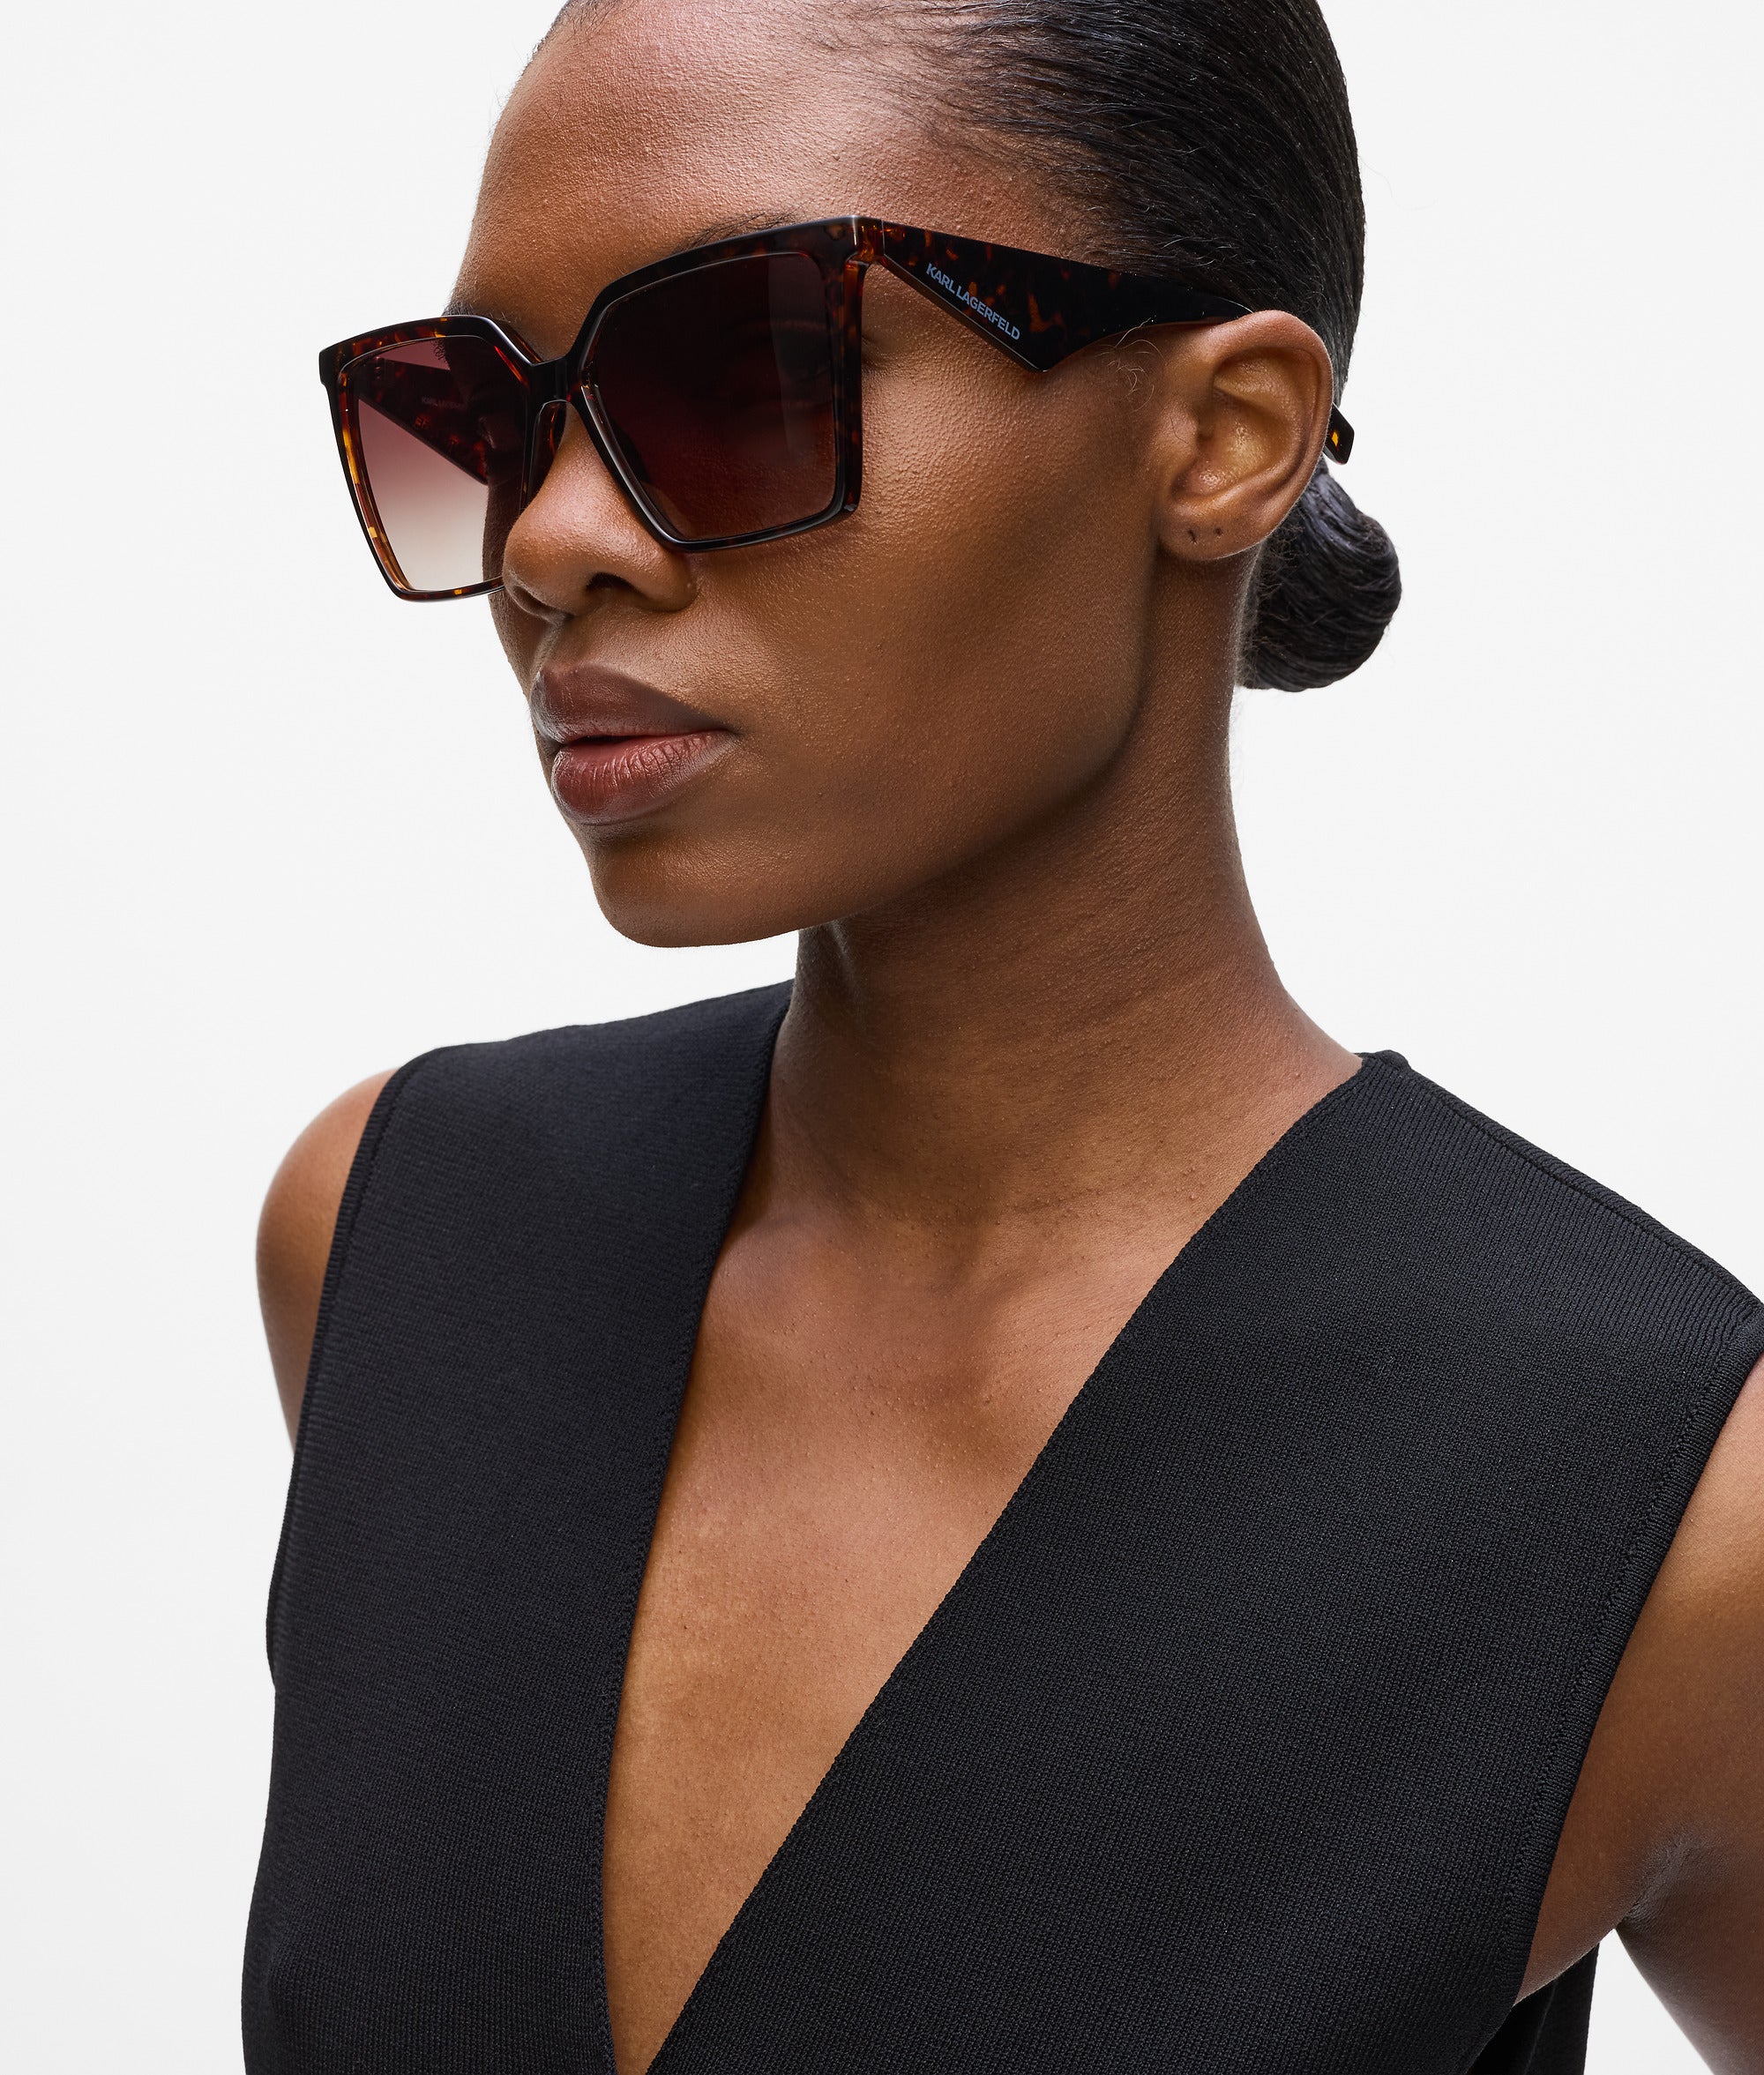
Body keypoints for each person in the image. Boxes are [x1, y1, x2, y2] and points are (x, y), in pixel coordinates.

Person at [244, 2, 1764, 2070]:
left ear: (1223, 436)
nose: (547, 540)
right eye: (486, 418)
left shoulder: (1670, 1506)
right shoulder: (402, 1235)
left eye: (744, 372)